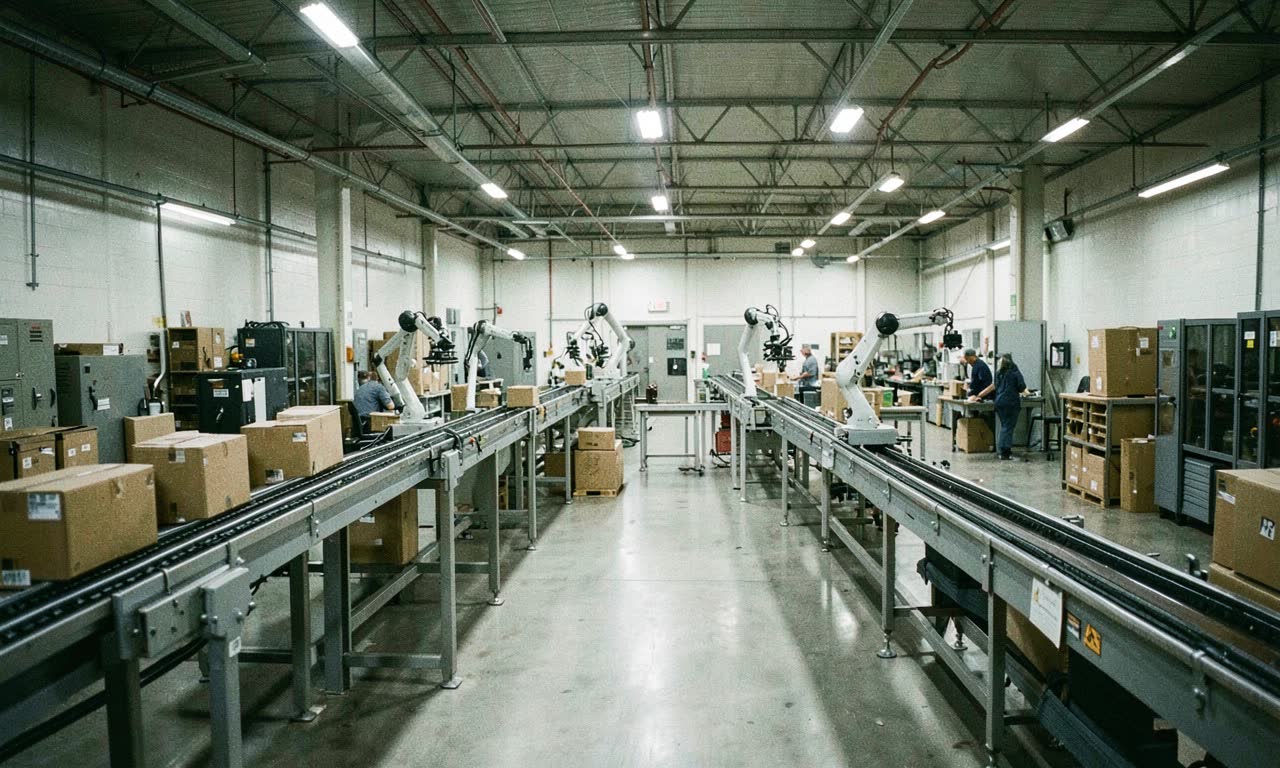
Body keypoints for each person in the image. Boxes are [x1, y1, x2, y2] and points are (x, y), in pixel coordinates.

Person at [972, 353, 1027, 460]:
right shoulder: (1015, 372)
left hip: (999, 402)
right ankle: (1005, 452)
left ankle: (1002, 450)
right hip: (1011, 402)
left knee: (1004, 427)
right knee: (1008, 427)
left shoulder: (998, 373)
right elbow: (1021, 387)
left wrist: (979, 395)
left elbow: (994, 386)